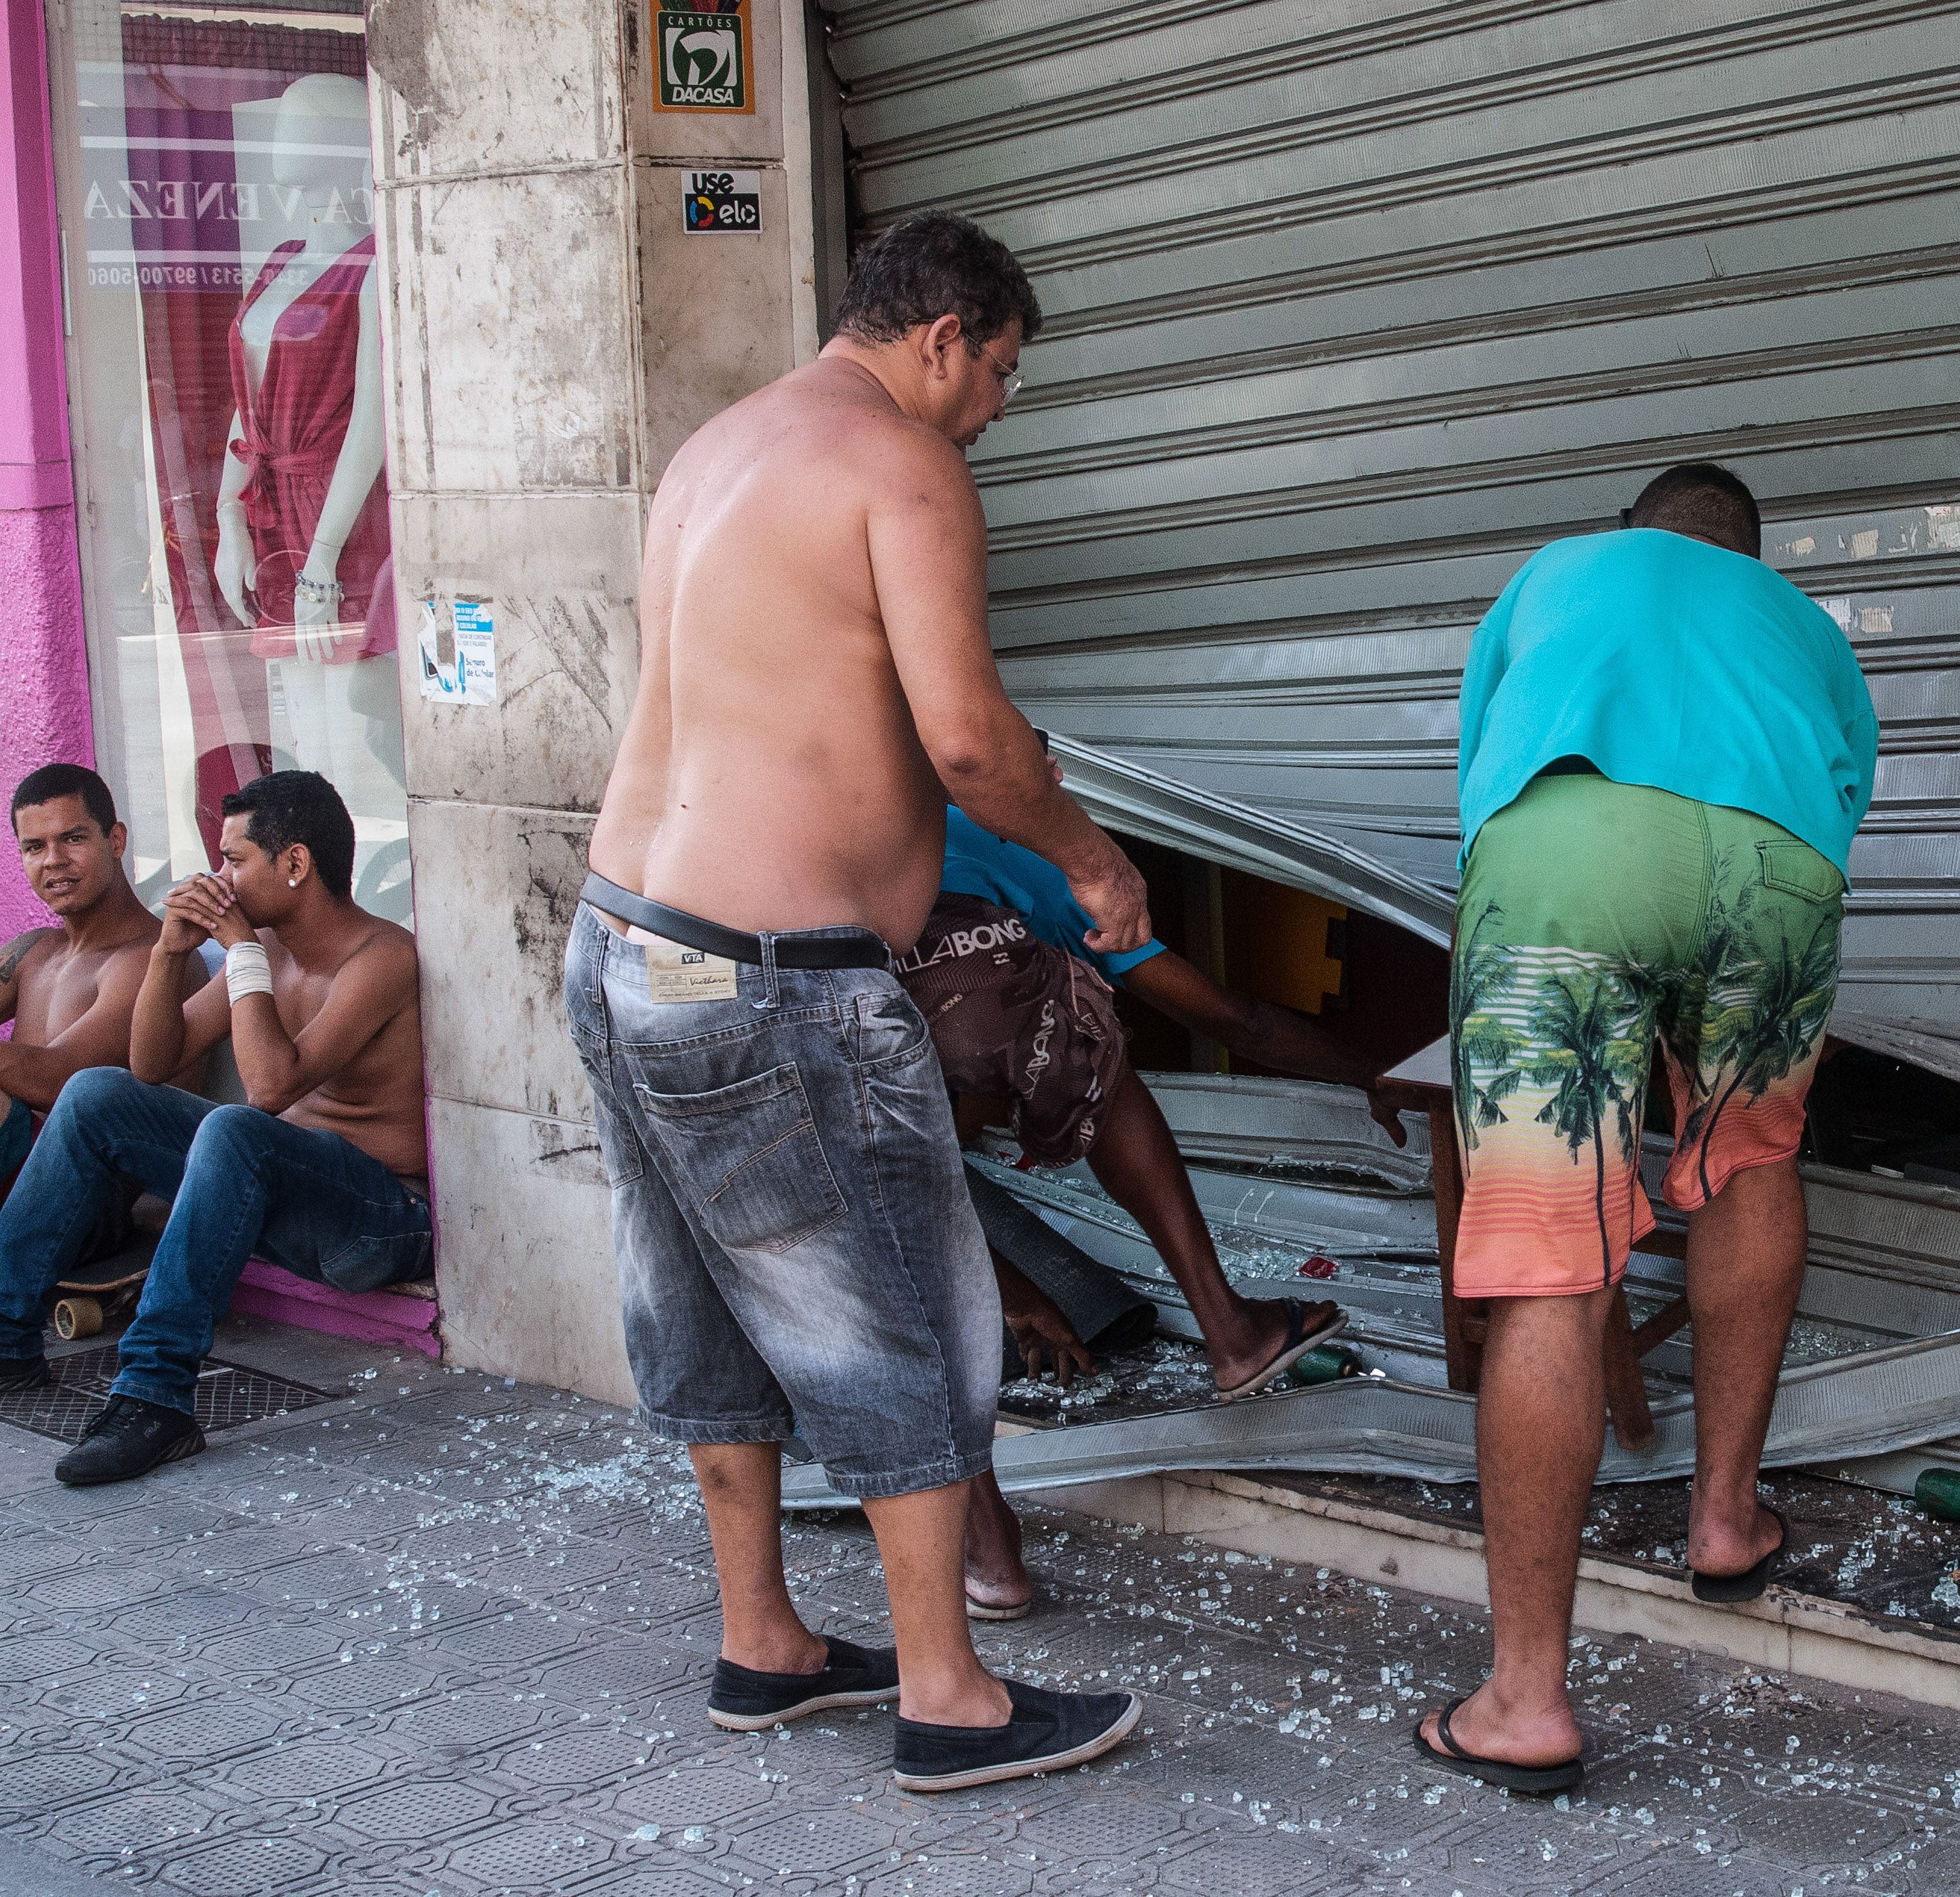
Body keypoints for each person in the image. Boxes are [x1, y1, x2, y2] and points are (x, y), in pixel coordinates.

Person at [566, 208, 1148, 1795]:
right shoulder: (900, 462)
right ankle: (948, 1697)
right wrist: (1094, 870)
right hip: (767, 983)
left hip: (624, 945)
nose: (998, 411)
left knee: (700, 1297)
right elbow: (969, 742)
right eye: (1004, 373)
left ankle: (764, 1642)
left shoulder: (718, 452)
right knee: (899, 1302)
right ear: (947, 336)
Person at [1415, 464, 1878, 1795]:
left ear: (1633, 536)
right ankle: (1725, 1518)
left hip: (1566, 848)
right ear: (1750, 554)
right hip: (1777, 871)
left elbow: (1483, 765)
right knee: (1750, 1165)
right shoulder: (1802, 626)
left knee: (1553, 1259)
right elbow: (1840, 800)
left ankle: (1524, 1699)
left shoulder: (1560, 569)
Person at [903, 792, 1416, 1616]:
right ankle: (1231, 1328)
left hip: (842, 1003)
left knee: (892, 1178)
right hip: (971, 988)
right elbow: (1233, 1019)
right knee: (1100, 1070)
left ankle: (992, 1556)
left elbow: (912, 1183)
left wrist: (1016, 1291)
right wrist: (1370, 1075)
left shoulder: (878, 820)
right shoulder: (1041, 859)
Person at [0, 771, 431, 1486]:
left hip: (375, 1220)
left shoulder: (381, 958)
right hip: (281, 1194)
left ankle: (155, 1399)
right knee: (96, 1094)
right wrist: (169, 952)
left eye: (235, 862)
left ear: (296, 865)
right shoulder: (272, 956)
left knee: (237, 1128)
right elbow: (151, 1065)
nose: (218, 879)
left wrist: (240, 948)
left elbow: (273, 1089)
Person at [0, 765, 202, 1244]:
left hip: (78, 1199)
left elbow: (63, 1081)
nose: (53, 860)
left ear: (115, 839)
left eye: (72, 839)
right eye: (35, 847)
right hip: (4, 1179)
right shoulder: (36, 951)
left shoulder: (154, 958)